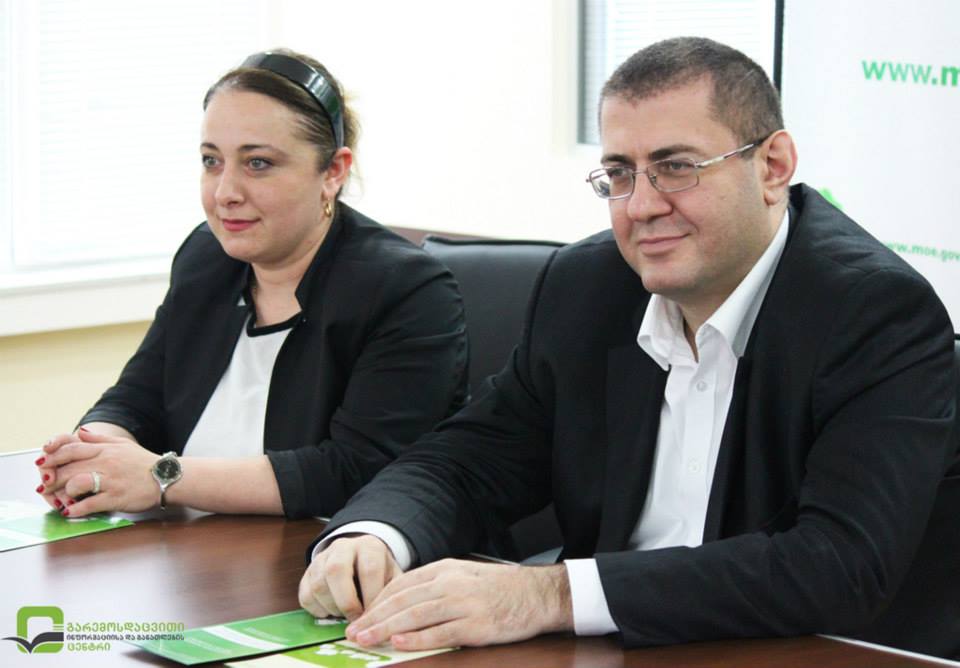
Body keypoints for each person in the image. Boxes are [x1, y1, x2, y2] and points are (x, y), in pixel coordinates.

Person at [298, 37, 960, 657]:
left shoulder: (875, 313)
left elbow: (838, 563)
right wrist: (375, 533)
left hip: (797, 652)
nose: (640, 206)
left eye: (676, 167)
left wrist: (549, 594)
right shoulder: (587, 287)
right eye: (619, 173)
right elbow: (471, 458)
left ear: (773, 166)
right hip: (615, 648)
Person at [33, 50, 468, 520]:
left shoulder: (406, 290)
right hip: (197, 546)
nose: (225, 193)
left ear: (333, 172)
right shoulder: (207, 258)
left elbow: (357, 470)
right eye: (211, 161)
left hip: (332, 551)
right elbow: (137, 398)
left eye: (258, 163)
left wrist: (160, 477)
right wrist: (93, 454)